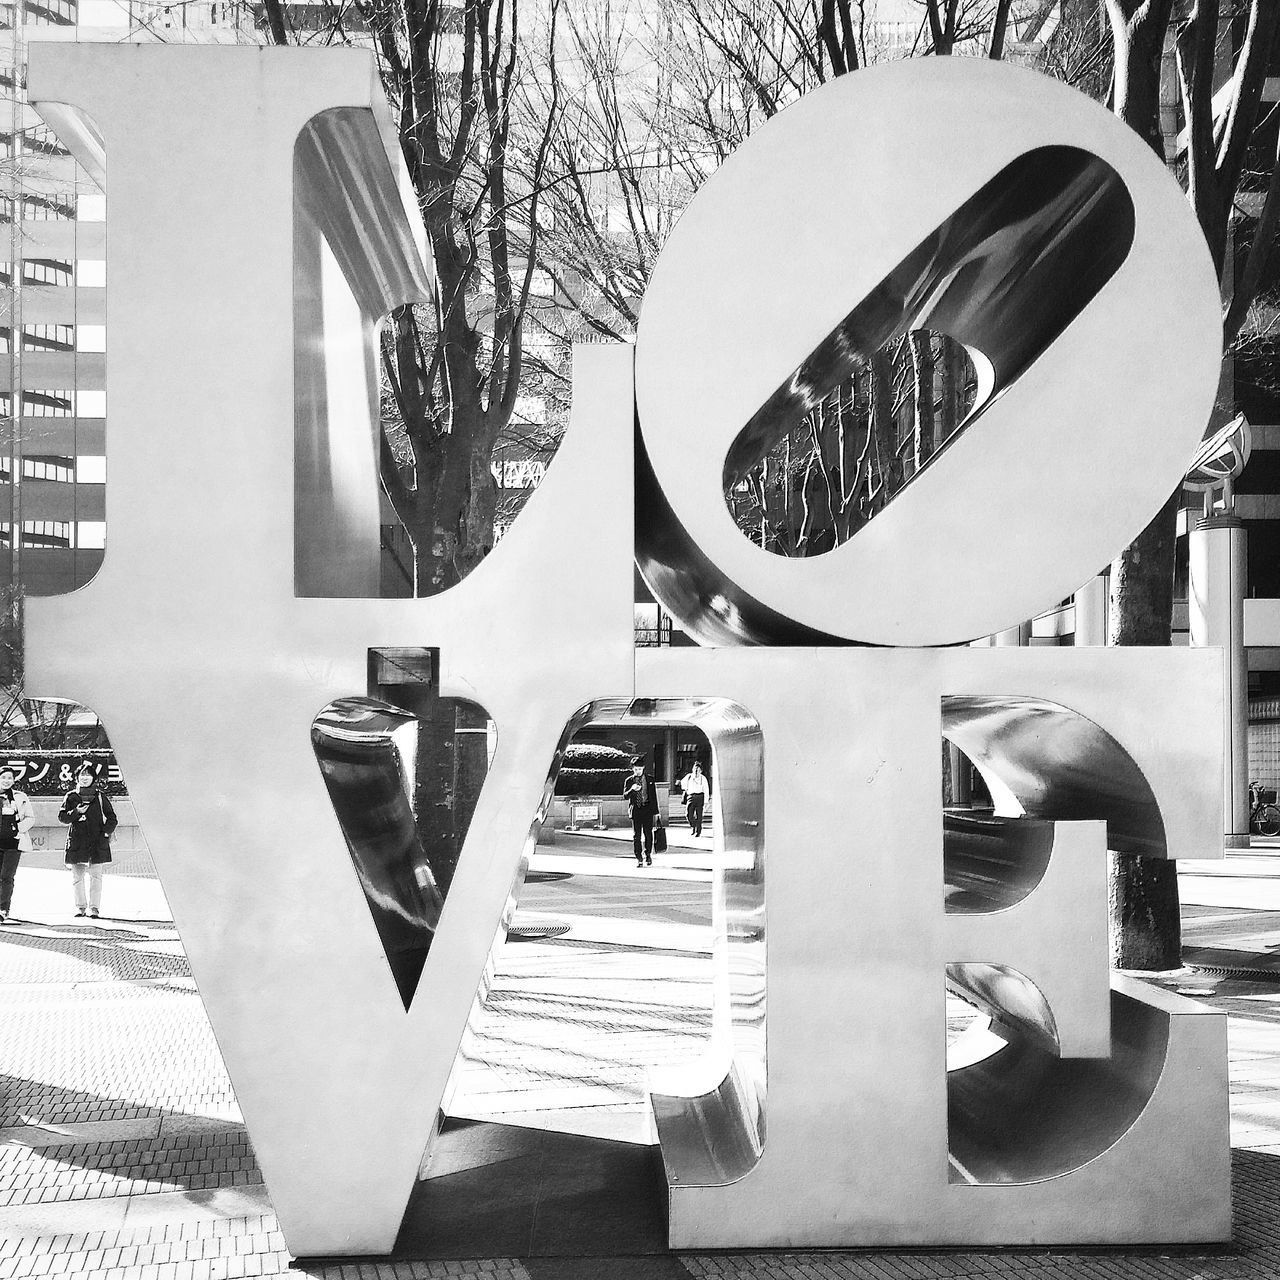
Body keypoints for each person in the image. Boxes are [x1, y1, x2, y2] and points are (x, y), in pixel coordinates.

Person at [58, 761, 118, 919]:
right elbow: (62, 817)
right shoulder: (71, 796)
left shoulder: (99, 796)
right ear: (76, 777)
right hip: (77, 841)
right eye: (81, 775)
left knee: (96, 876)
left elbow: (112, 818)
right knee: (77, 877)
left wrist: (105, 833)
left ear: (94, 778)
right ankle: (81, 907)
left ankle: (94, 908)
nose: (85, 778)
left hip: (97, 841)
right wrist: (76, 811)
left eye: (88, 775)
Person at [0, 766, 35, 925]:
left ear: (14, 780)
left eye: (9, 778)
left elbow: (30, 817)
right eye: (3, 777)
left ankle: (3, 909)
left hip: (14, 842)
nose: (6, 781)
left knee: (7, 877)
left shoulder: (20, 797)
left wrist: (18, 827)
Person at [622, 756, 659, 867]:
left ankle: (648, 854)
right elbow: (625, 796)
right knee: (636, 835)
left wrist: (656, 812)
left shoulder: (650, 780)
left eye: (640, 769)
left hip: (647, 809)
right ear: (633, 769)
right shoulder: (629, 781)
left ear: (643, 768)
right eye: (636, 769)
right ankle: (638, 857)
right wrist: (632, 789)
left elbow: (654, 796)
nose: (638, 771)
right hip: (636, 810)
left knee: (648, 833)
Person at [679, 761, 710, 837]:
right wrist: (686, 789)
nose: (696, 772)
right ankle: (693, 826)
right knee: (688, 814)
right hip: (691, 797)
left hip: (700, 797)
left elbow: (706, 790)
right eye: (695, 770)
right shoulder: (689, 777)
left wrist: (706, 801)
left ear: (701, 771)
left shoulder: (703, 778)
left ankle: (698, 831)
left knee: (699, 816)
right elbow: (682, 783)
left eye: (698, 770)